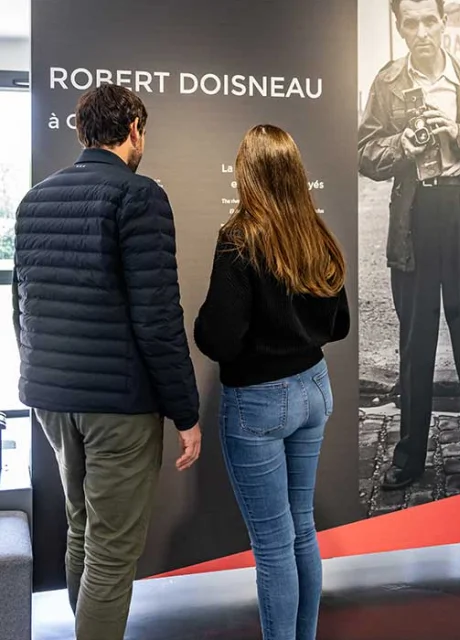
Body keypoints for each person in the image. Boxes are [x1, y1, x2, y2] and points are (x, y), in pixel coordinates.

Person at [12, 84, 201, 640]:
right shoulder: (139, 196)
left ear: (80, 131)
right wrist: (185, 413)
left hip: (52, 398)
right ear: (135, 128)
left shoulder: (33, 200)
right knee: (113, 556)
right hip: (118, 407)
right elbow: (158, 317)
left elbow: (20, 304)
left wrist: (37, 372)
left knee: (82, 531)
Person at [358, 0, 460, 491]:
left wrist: (459, 131)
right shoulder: (388, 83)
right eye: (412, 22)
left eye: (431, 20)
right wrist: (403, 146)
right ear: (400, 27)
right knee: (415, 343)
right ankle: (408, 455)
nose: (423, 30)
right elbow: (366, 152)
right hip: (415, 218)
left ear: (444, 22)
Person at [195, 124, 350, 640]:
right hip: (313, 388)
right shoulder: (316, 232)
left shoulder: (239, 238)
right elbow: (340, 324)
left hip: (260, 403)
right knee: (301, 527)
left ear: (247, 174)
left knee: (273, 543)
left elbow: (218, 338)